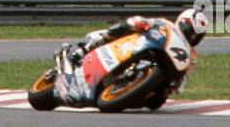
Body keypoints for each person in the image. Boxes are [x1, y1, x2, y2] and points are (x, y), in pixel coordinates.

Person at [75, 8, 208, 96]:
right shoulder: (167, 23)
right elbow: (150, 23)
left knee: (157, 100)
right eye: (191, 31)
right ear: (183, 21)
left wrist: (177, 86)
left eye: (197, 36)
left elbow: (186, 74)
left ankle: (131, 92)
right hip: (144, 45)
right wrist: (142, 23)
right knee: (126, 26)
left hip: (163, 67)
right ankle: (85, 50)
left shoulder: (192, 54)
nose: (193, 37)